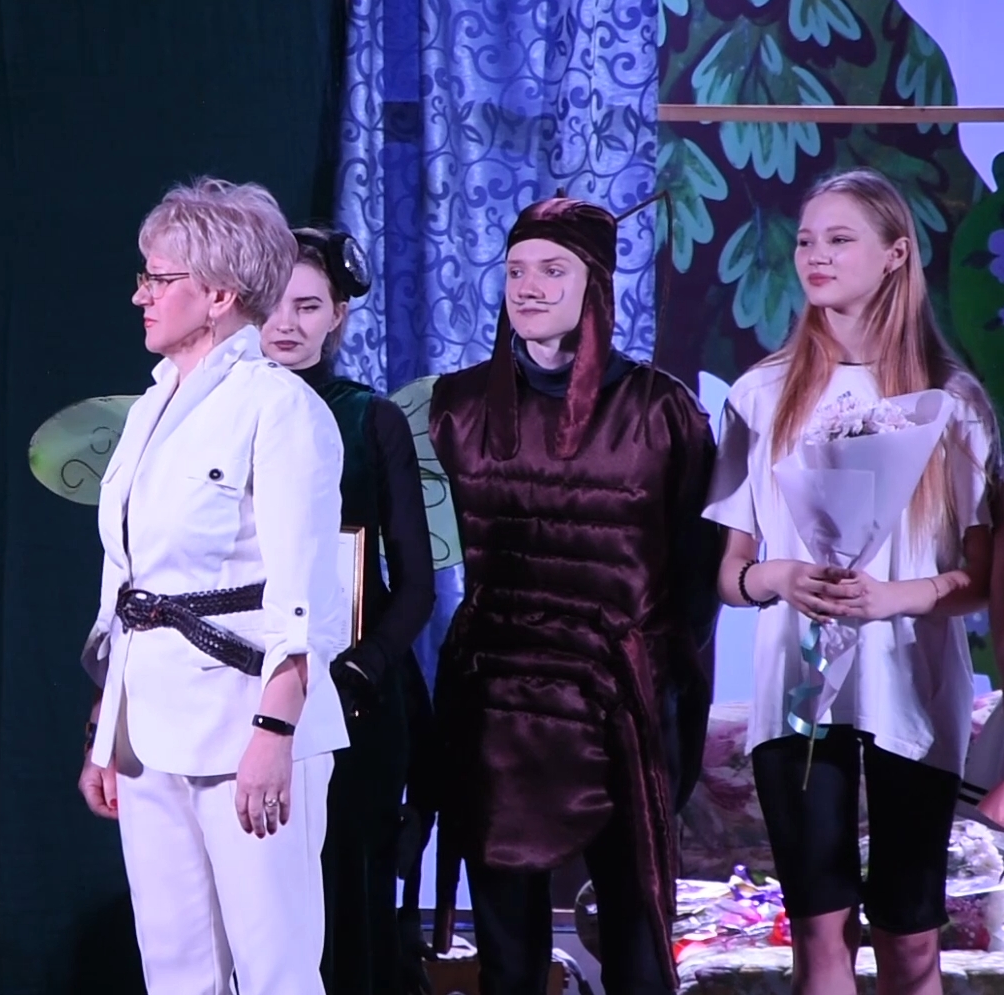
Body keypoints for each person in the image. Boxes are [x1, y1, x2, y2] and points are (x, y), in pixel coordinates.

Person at [706, 168, 997, 995]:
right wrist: (781, 576)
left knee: (909, 935)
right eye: (805, 240)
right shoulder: (760, 394)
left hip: (911, 690)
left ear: (895, 254)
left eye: (838, 239)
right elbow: (729, 573)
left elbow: (979, 580)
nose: (815, 255)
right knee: (818, 934)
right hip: (796, 694)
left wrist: (890, 598)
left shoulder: (951, 401)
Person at [428, 196, 717, 995]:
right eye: (516, 271)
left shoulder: (660, 410)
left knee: (633, 932)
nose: (528, 287)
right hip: (496, 695)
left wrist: (668, 693)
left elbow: (696, 574)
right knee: (507, 947)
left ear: (594, 284)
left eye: (551, 270)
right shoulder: (456, 408)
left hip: (619, 697)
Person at [77, 177, 348, 995]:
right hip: (149, 723)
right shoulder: (150, 407)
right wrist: (107, 725)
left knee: (274, 970)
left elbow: (306, 595)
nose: (140, 294)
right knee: (175, 967)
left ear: (221, 294)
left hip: (247, 722)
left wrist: (273, 730)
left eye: (158, 278)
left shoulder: (280, 408)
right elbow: (129, 584)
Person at [261, 227, 435, 995]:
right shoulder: (224, 411)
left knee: (346, 889)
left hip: (356, 693)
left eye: (308, 305)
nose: (287, 323)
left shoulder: (369, 418)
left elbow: (416, 583)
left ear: (338, 314)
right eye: (274, 304)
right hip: (247, 687)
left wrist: (362, 667)